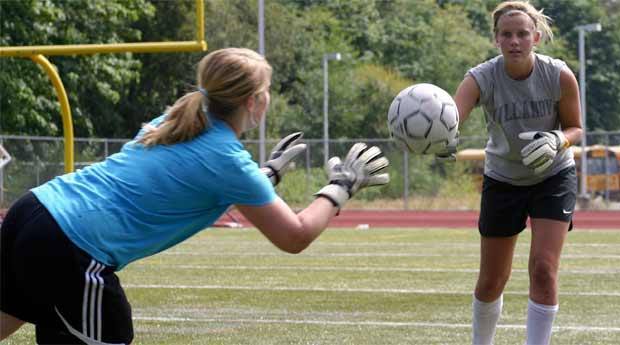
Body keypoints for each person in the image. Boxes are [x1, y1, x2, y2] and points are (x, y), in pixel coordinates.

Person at [0, 47, 390, 344]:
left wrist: (265, 174)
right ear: (253, 102)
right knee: (112, 329)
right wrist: (340, 187)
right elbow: (295, 235)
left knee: (7, 317)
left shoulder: (177, 118)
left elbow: (185, 178)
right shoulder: (227, 159)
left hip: (34, 210)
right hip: (69, 244)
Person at [451, 2, 583, 344]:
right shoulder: (481, 77)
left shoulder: (558, 74)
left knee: (543, 270)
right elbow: (450, 120)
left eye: (522, 34)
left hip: (552, 175)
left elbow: (576, 129)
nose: (515, 41)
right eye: (506, 35)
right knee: (492, 280)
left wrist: (557, 140)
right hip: (503, 180)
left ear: (535, 37)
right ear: (496, 40)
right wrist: (435, 136)